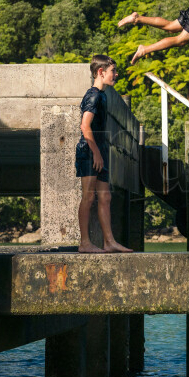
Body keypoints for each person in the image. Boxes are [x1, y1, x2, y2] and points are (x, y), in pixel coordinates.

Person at [76, 55, 132, 253]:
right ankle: (84, 243)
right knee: (88, 197)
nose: (116, 75)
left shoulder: (103, 95)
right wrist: (96, 153)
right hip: (89, 151)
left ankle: (109, 242)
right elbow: (85, 125)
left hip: (99, 151)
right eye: (113, 71)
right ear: (101, 72)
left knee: (105, 197)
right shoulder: (93, 95)